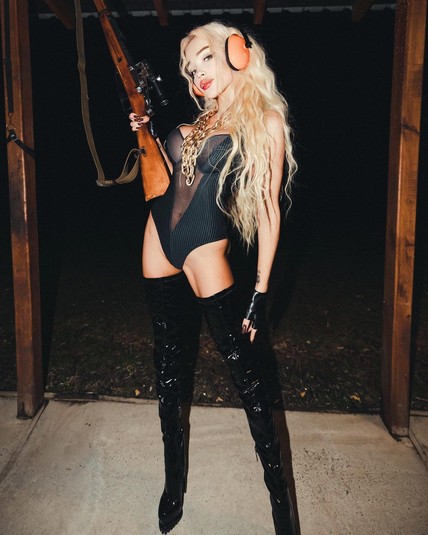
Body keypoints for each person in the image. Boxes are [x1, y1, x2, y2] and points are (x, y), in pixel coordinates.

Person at [130, 20, 298, 535]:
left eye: (205, 57)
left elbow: (267, 209)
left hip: (206, 247)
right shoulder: (201, 120)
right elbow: (168, 184)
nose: (197, 73)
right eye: (189, 68)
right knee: (167, 371)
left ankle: (281, 504)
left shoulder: (264, 120)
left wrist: (261, 292)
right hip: (158, 238)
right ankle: (173, 485)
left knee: (248, 379)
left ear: (234, 52)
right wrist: (146, 132)